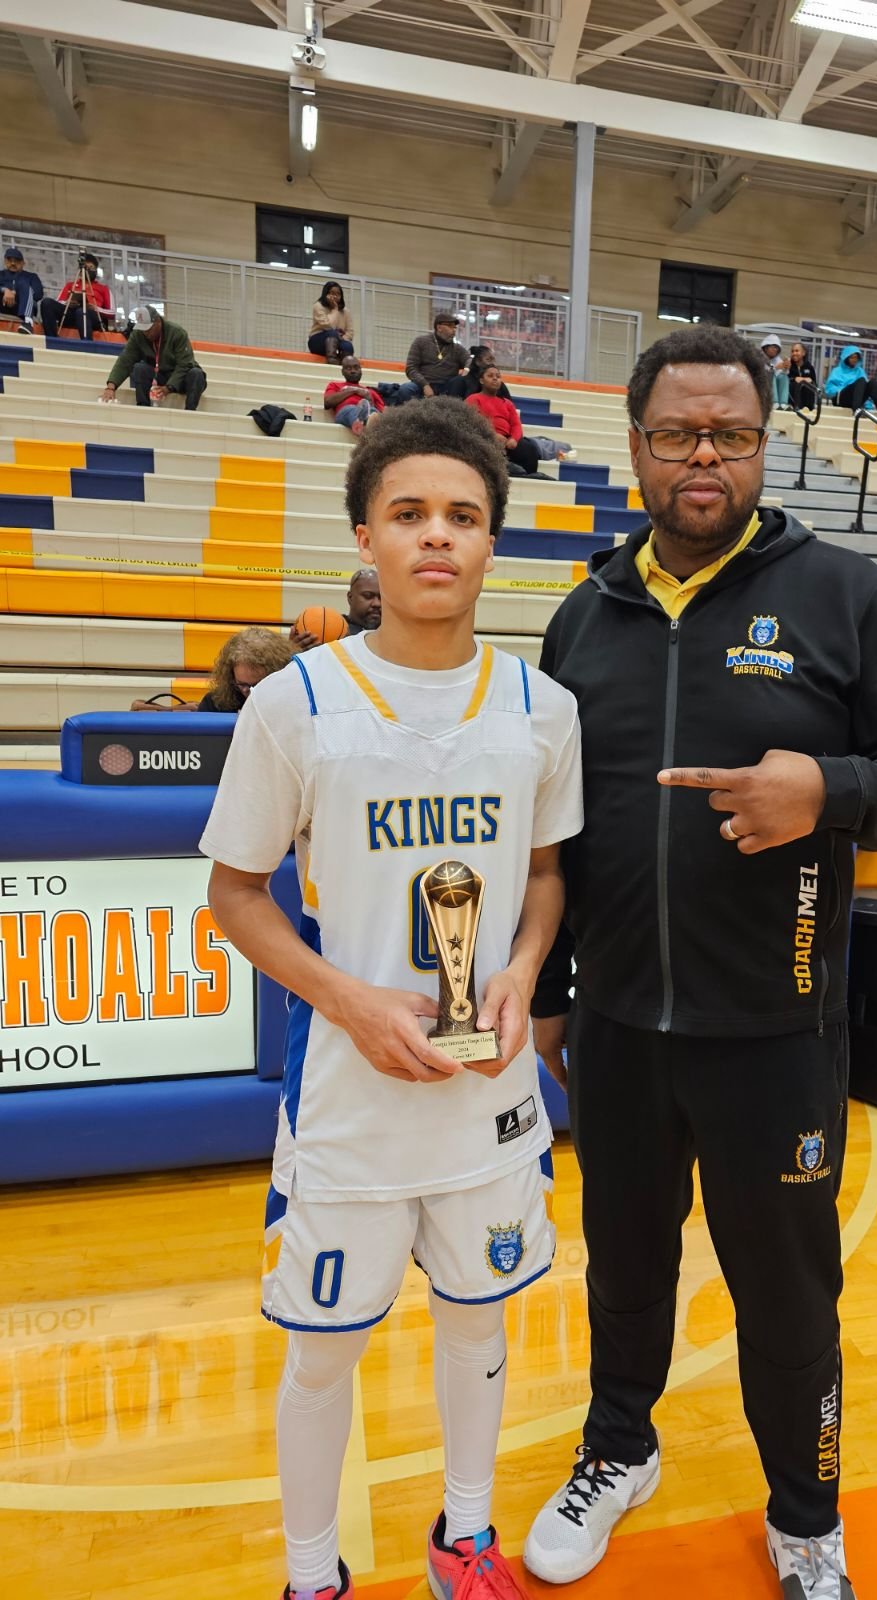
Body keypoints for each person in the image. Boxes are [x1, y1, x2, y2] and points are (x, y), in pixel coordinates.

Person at [522, 326, 877, 1599]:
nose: (703, 457)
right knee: (623, 1267)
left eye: (729, 433)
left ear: (765, 445)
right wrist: (556, 995)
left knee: (788, 1298)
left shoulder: (846, 596)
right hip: (616, 1027)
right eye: (678, 435)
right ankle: (620, 1448)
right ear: (637, 450)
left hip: (777, 1035)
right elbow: (559, 834)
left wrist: (823, 789)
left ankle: (806, 1515)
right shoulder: (584, 615)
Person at [201, 398, 583, 1600]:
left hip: (488, 1095)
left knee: (481, 1326)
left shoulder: (542, 707)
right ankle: (311, 1574)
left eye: (463, 517)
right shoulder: (296, 702)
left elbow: (544, 877)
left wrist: (520, 974)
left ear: (491, 542)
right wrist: (350, 1001)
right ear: (364, 535)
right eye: (409, 513)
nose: (437, 537)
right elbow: (237, 894)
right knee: (322, 1350)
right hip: (354, 1099)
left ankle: (463, 1540)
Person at [129, 626, 293, 712]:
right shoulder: (215, 703)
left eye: (257, 685)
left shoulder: (293, 700)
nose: (249, 692)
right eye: (242, 685)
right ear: (231, 677)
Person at [100, 305, 208, 410]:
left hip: (181, 377)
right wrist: (111, 387)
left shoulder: (177, 333)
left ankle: (190, 411)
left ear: (158, 322)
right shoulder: (138, 334)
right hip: (160, 375)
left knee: (196, 374)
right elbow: (125, 360)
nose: (146, 333)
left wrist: (169, 387)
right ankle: (143, 407)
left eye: (149, 329)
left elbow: (184, 364)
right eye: (143, 329)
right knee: (139, 368)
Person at [466, 364, 542, 476]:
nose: (495, 378)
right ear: (481, 380)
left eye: (498, 376)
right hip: (485, 438)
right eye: (490, 376)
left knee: (529, 448)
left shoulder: (507, 403)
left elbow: (516, 425)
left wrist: (514, 439)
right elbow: (472, 422)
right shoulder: (473, 399)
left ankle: (528, 477)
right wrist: (492, 435)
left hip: (507, 442)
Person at [289, 569, 382, 652]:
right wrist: (291, 652)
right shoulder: (327, 627)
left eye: (382, 597)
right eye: (368, 596)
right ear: (350, 597)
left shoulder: (392, 635)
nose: (377, 603)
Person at [391, 313, 471, 403]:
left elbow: (469, 360)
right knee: (406, 389)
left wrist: (467, 370)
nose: (454, 330)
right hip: (422, 384)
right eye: (450, 326)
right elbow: (411, 368)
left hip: (447, 387)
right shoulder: (421, 342)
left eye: (454, 327)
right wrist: (425, 385)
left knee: (459, 381)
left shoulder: (457, 348)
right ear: (439, 328)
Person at [40, 251, 113, 340]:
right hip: (71, 314)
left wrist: (95, 308)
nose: (88, 270)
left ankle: (87, 344)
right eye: (86, 268)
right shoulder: (71, 285)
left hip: (92, 317)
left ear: (96, 270)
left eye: (91, 267)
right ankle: (52, 339)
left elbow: (112, 313)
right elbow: (59, 301)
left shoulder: (103, 288)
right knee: (47, 303)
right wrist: (67, 303)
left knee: (82, 311)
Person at [324, 355, 384, 434]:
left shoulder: (370, 391)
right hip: (345, 412)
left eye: (356, 368)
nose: (353, 371)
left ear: (360, 370)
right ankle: (361, 424)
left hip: (369, 411)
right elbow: (327, 402)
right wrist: (353, 391)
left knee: (373, 412)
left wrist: (369, 399)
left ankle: (366, 425)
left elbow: (382, 411)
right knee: (352, 409)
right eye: (348, 368)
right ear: (342, 371)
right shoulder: (334, 385)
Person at [824, 344, 877, 414]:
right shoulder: (837, 371)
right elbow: (828, 390)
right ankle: (856, 410)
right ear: (846, 358)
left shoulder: (860, 371)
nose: (854, 360)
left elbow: (865, 388)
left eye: (856, 358)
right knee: (861, 381)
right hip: (841, 398)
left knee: (873, 382)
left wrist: (868, 405)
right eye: (852, 357)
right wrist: (844, 389)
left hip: (856, 400)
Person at [308, 282, 354, 363]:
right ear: (326, 294)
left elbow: (350, 332)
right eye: (332, 293)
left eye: (338, 294)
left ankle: (346, 366)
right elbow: (329, 326)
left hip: (338, 340)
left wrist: (340, 338)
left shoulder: (345, 311)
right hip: (317, 341)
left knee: (348, 346)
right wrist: (335, 309)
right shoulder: (318, 306)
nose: (335, 296)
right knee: (332, 333)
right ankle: (331, 360)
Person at [1, 246, 43, 333]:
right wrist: (5, 290)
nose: (13, 263)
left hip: (23, 306)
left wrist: (16, 293)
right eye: (10, 260)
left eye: (16, 261)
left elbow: (38, 295)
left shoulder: (31, 277)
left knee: (24, 284)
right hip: (3, 304)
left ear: (23, 263)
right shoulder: (1, 274)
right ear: (5, 261)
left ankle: (28, 323)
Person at [760, 335, 789, 409]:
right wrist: (775, 368)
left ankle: (783, 403)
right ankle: (774, 402)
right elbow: (761, 373)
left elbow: (781, 375)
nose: (775, 350)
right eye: (773, 347)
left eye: (777, 348)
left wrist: (785, 368)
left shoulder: (778, 360)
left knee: (783, 377)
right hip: (761, 387)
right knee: (771, 375)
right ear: (766, 348)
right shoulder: (759, 357)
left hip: (772, 387)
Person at [787, 342, 817, 412]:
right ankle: (796, 407)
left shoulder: (809, 367)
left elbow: (814, 382)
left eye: (797, 351)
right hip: (792, 399)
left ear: (803, 353)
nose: (794, 353)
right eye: (792, 351)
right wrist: (795, 379)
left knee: (809, 385)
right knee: (797, 384)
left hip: (806, 400)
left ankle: (809, 408)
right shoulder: (789, 365)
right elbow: (787, 378)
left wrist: (805, 380)